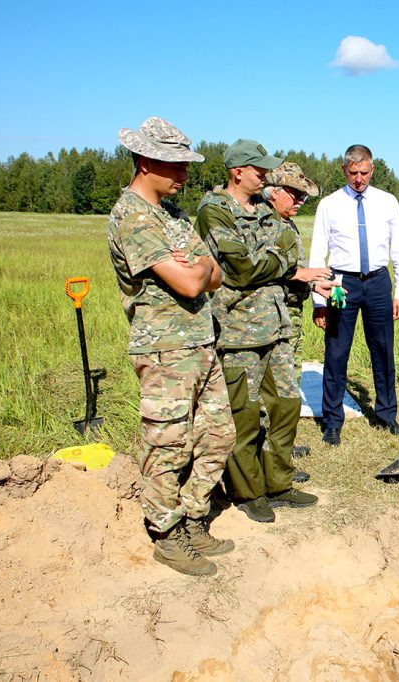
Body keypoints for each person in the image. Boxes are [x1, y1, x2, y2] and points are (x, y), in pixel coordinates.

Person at [108, 117, 235, 576]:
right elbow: (189, 281)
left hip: (201, 343)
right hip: (164, 351)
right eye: (175, 166)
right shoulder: (133, 218)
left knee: (219, 435)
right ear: (145, 162)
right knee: (168, 446)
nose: (184, 175)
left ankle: (193, 515)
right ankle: (165, 532)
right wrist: (197, 268)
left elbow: (217, 274)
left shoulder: (172, 217)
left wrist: (198, 266)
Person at [195, 140, 325, 524]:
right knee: (245, 414)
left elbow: (272, 255)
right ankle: (250, 491)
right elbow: (241, 268)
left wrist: (275, 262)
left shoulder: (267, 215)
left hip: (277, 324)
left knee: (286, 406)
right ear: (238, 172)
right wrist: (285, 264)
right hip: (237, 331)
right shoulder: (214, 210)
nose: (266, 177)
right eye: (259, 171)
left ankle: (278, 483)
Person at [309, 144, 399, 446]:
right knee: (337, 352)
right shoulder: (329, 204)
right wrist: (319, 300)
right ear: (344, 170)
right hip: (342, 285)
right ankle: (332, 422)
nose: (358, 179)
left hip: (379, 284)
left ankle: (387, 415)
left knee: (382, 350)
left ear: (372, 169)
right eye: (353, 173)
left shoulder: (387, 202)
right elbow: (318, 251)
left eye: (364, 173)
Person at [263, 161, 322, 358]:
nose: (301, 201)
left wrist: (314, 284)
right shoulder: (262, 223)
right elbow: (260, 268)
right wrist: (301, 275)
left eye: (303, 197)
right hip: (274, 315)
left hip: (292, 311)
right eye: (296, 195)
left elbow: (296, 266)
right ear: (274, 192)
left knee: (292, 376)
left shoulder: (286, 222)